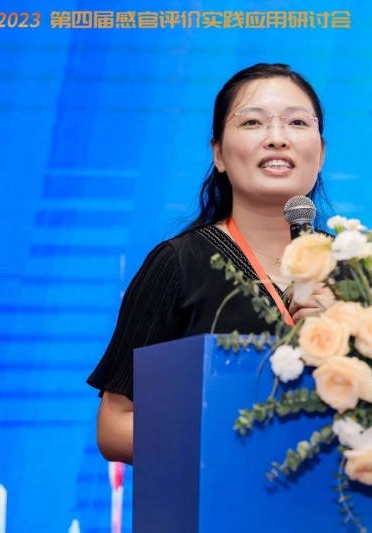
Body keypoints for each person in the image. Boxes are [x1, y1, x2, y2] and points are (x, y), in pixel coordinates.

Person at [87, 63, 335, 464]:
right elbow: (114, 426)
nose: (277, 138)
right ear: (218, 153)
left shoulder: (356, 268)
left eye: (297, 123)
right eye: (252, 122)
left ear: (320, 152)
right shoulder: (178, 264)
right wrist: (233, 441)